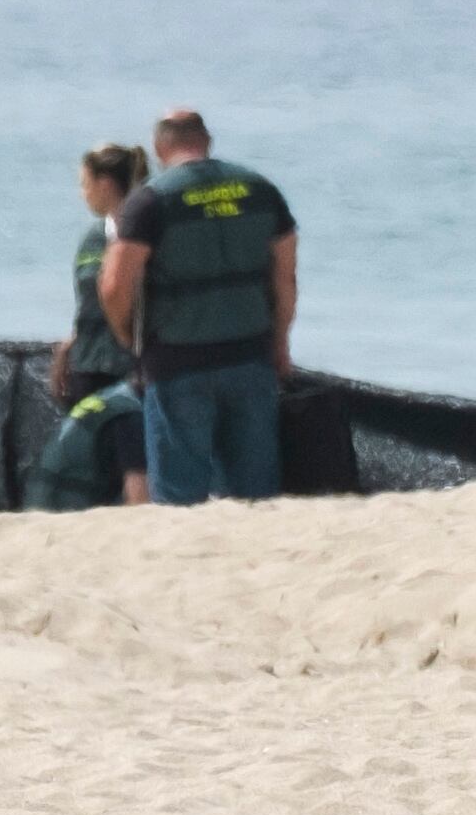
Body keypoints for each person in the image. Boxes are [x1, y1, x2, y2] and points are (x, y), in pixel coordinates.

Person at [101, 107, 298, 507]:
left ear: (160, 148)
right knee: (254, 496)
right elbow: (285, 280)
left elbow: (113, 286)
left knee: (179, 500)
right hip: (250, 355)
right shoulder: (261, 190)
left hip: (178, 363)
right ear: (206, 141)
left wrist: (128, 336)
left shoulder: (150, 201)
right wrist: (280, 343)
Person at [52, 142, 146, 404]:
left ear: (104, 184)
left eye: (85, 183)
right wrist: (69, 346)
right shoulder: (92, 238)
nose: (82, 193)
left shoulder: (145, 234)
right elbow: (89, 302)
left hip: (133, 367)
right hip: (88, 365)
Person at [30, 379, 151, 512]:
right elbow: (139, 503)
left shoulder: (116, 397)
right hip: (66, 517)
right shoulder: (130, 418)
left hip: (42, 503)